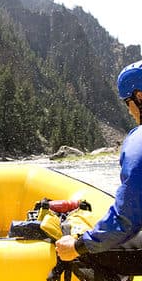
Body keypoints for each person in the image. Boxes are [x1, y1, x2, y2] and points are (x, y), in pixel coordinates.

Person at [56, 59, 142, 263]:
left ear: (139, 96)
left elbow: (126, 219)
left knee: (86, 254)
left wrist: (80, 246)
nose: (129, 111)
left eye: (127, 102)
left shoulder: (139, 142)